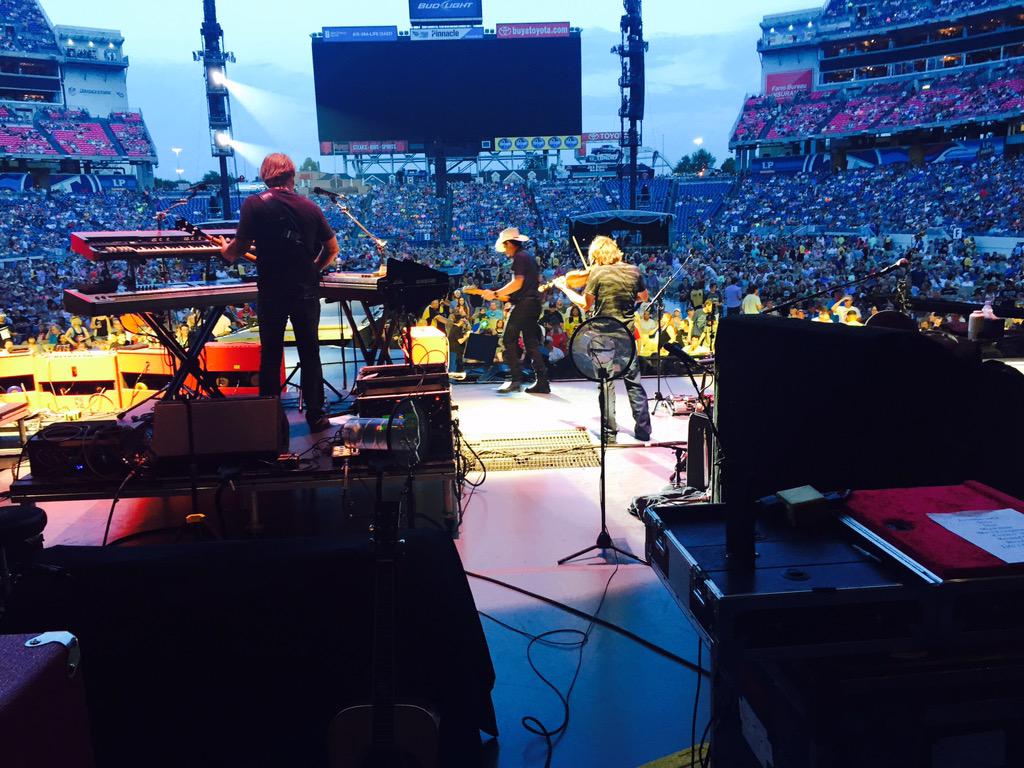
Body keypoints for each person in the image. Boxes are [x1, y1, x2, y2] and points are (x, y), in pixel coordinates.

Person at [219, 152, 339, 432]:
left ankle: (270, 420)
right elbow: (332, 249)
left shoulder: (254, 204)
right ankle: (316, 416)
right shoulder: (310, 207)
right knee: (310, 352)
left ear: (265, 177)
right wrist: (313, 269)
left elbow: (239, 247)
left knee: (271, 354)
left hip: (272, 291)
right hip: (305, 291)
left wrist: (226, 251)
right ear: (292, 176)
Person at [560, 235, 652, 443]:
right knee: (634, 382)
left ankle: (609, 434)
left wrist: (565, 288)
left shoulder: (597, 272)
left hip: (603, 336)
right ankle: (643, 430)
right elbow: (644, 297)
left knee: (606, 383)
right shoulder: (633, 271)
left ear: (597, 254)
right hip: (626, 335)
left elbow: (585, 305)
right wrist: (628, 297)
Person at [479, 227, 549, 394]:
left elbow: (517, 283)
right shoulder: (529, 257)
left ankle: (516, 380)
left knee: (508, 339)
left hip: (525, 305)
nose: (505, 251)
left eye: (505, 247)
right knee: (531, 343)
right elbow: (529, 284)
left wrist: (496, 293)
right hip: (533, 304)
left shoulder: (519, 257)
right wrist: (506, 297)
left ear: (509, 243)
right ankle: (542, 382)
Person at [447, 308, 471, 373]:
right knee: (453, 368)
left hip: (457, 352)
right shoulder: (456, 329)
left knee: (457, 368)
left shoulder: (456, 328)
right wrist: (467, 336)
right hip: (454, 352)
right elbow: (460, 341)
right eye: (463, 321)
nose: (464, 322)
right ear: (460, 321)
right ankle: (451, 379)